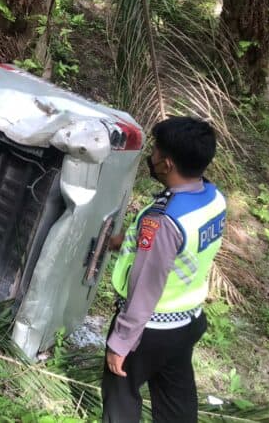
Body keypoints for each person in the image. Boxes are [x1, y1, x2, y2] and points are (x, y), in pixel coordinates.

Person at [102, 116, 226, 423]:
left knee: (121, 400)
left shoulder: (163, 220)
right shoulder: (212, 199)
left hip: (151, 330)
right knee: (176, 405)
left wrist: (121, 343)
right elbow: (180, 251)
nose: (152, 157)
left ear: (167, 164)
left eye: (156, 151)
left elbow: (146, 285)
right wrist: (123, 242)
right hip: (188, 322)